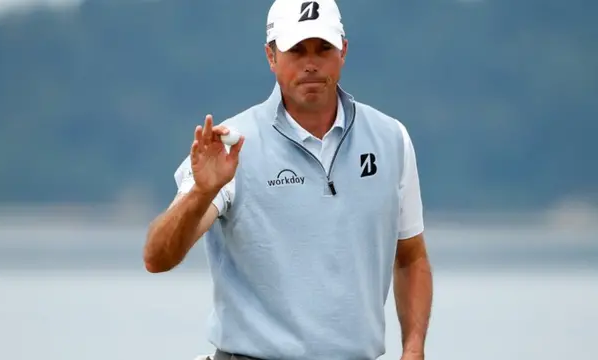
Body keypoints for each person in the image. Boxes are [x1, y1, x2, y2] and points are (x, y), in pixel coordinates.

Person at [143, 0, 433, 359]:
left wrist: (414, 348)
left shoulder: (391, 139)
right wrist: (202, 192)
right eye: (296, 50)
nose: (310, 63)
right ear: (271, 56)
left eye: (322, 48)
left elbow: (410, 258)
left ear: (342, 50)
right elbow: (158, 257)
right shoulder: (229, 144)